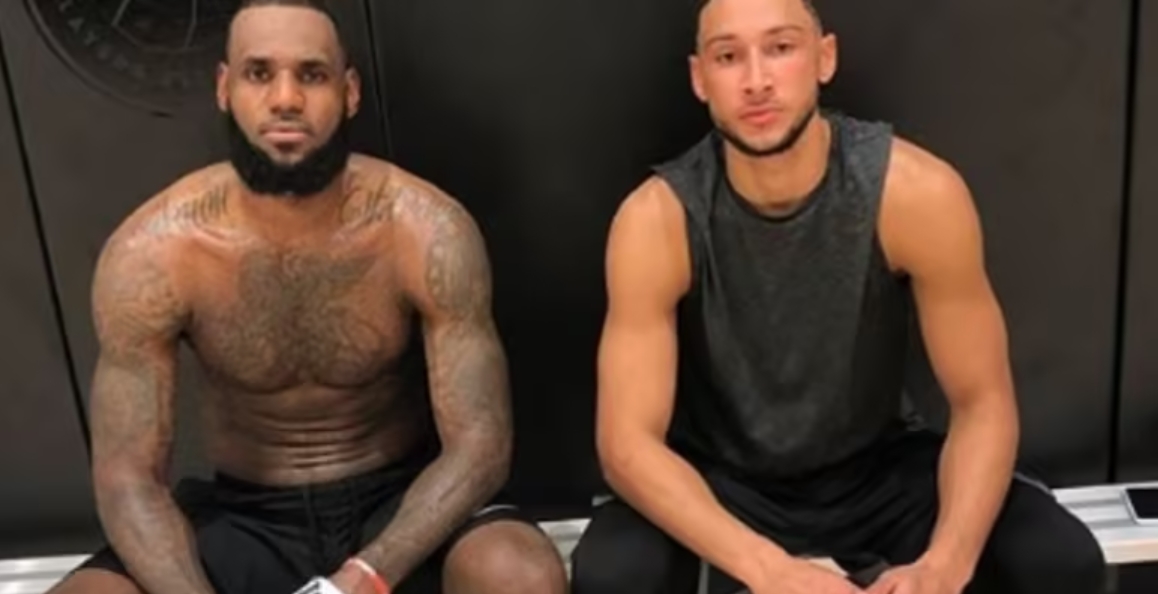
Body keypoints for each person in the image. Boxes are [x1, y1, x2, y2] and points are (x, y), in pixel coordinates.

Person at [570, 0, 1107, 593]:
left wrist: (945, 564)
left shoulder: (914, 193)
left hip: (877, 470)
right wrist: (770, 570)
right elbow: (626, 445)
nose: (756, 80)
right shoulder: (656, 220)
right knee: (613, 576)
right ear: (700, 78)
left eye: (780, 47)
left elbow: (982, 402)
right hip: (722, 479)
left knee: (1058, 559)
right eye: (728, 57)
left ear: (824, 59)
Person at [48, 1, 568, 593]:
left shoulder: (425, 230)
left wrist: (367, 576)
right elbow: (128, 479)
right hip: (243, 517)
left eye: (312, 74)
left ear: (349, 92)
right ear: (224, 88)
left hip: (399, 505)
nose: (286, 98)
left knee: (517, 574)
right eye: (259, 73)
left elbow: (481, 446)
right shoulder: (155, 250)